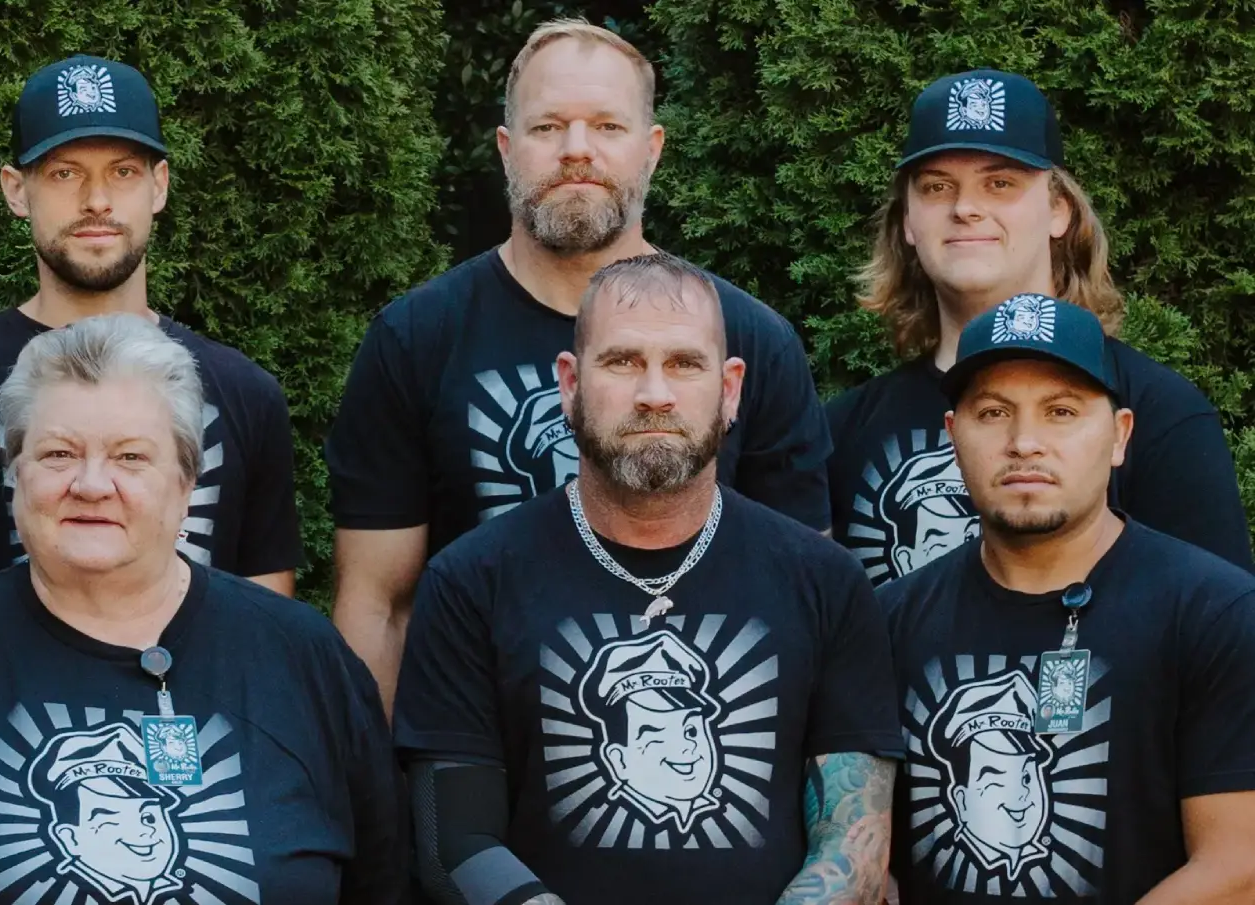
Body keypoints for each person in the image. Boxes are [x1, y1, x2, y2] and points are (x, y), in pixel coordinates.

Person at [0, 314, 403, 904]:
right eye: (60, 453)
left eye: (130, 457)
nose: (92, 485)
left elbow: (382, 886)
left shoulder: (306, 659)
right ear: (15, 472)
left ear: (186, 479)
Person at [326, 19, 832, 709]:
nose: (577, 151)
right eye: (547, 127)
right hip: (474, 754)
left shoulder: (748, 339)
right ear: (506, 149)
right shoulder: (417, 338)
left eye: (607, 127)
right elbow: (377, 605)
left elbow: (807, 599)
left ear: (651, 150)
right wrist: (378, 803)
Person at [398, 254, 897, 905]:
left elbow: (852, 838)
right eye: (623, 361)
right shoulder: (470, 582)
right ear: (570, 383)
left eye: (685, 363)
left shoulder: (826, 582)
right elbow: (455, 845)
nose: (654, 393)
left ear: (731, 388)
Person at [0, 55, 302, 657]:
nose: (96, 200)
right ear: (17, 190)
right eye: (64, 174)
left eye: (122, 172)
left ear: (159, 186)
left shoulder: (244, 393)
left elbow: (270, 643)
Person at [884, 293, 1255, 903]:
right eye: (994, 413)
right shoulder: (889, 620)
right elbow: (863, 844)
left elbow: (1237, 867)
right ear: (953, 435)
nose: (1025, 442)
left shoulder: (1216, 615)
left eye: (1060, 412)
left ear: (1119, 436)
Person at [826, 69, 1252, 585]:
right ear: (909, 223)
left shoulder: (1159, 415)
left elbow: (1218, 637)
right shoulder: (843, 431)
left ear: (1058, 211)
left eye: (999, 183)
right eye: (937, 187)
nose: (965, 208)